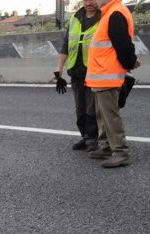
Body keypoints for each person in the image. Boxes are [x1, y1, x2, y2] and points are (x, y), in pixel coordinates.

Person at [85, 0, 139, 168]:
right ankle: (106, 146)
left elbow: (124, 46)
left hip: (107, 76)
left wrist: (131, 62)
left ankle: (120, 152)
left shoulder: (115, 13)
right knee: (102, 115)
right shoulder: (108, 13)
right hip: (100, 76)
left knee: (110, 115)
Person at [54, 0, 100, 151]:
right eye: (86, 0)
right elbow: (66, 45)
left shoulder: (104, 17)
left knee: (92, 108)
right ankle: (85, 136)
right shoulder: (74, 18)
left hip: (95, 71)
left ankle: (93, 138)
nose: (89, 2)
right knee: (80, 108)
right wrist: (59, 68)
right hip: (76, 72)